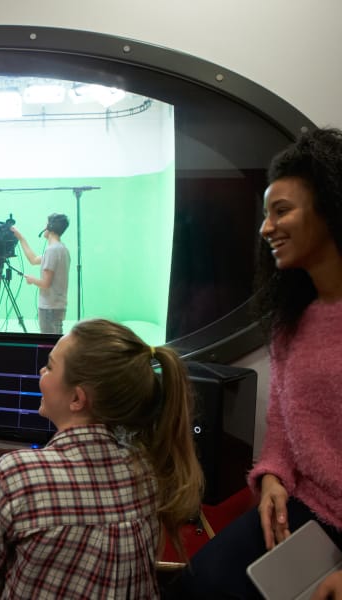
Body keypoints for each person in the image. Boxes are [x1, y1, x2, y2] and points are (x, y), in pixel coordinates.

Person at [168, 127, 342, 599]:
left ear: (330, 209)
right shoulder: (291, 321)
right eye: (266, 214)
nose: (266, 228)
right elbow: (283, 427)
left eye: (281, 211)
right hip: (306, 514)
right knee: (195, 585)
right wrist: (271, 481)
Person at [0, 318, 204, 599]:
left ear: (77, 399)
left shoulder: (16, 474)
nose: (41, 371)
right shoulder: (147, 470)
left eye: (50, 366)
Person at [11, 213, 71, 334]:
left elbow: (45, 283)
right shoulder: (62, 249)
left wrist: (32, 279)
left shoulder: (52, 250)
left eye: (46, 224)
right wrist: (21, 238)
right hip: (58, 307)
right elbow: (33, 260)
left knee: (48, 343)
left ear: (50, 227)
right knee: (55, 340)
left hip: (49, 308)